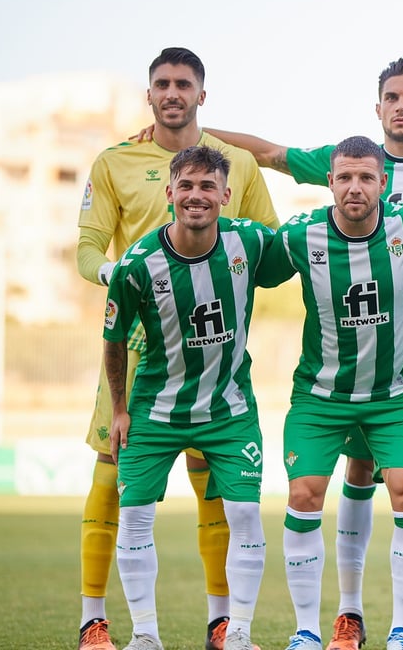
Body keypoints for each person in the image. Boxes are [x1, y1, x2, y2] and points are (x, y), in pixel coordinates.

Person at [203, 58, 403, 650]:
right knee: (355, 475)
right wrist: (194, 133)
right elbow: (272, 159)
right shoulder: (310, 221)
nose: (402, 106)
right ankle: (346, 617)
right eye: (392, 97)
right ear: (377, 107)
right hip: (342, 374)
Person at [76, 47, 278, 650]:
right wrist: (122, 277)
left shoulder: (236, 164)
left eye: (183, 84)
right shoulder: (114, 161)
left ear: (200, 95)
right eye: (161, 84)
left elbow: (271, 245)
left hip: (212, 355)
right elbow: (86, 248)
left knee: (215, 487)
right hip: (137, 351)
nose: (172, 93)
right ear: (149, 94)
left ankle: (223, 624)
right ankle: (94, 620)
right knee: (112, 481)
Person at [256, 136, 403, 650]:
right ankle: (306, 632)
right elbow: (251, 274)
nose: (354, 187)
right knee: (303, 494)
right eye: (344, 177)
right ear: (330, 182)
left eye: (365, 177)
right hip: (321, 397)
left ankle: (402, 631)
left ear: (383, 182)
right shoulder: (301, 235)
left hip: (393, 395)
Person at [103, 146, 273, 650]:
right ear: (170, 192)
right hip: (156, 411)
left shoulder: (250, 241)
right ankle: (145, 636)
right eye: (187, 185)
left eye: (207, 186)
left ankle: (238, 633)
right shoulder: (137, 265)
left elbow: (315, 246)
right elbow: (113, 339)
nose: (196, 196)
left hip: (229, 410)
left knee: (245, 516)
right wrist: (118, 409)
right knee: (135, 517)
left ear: (225, 194)